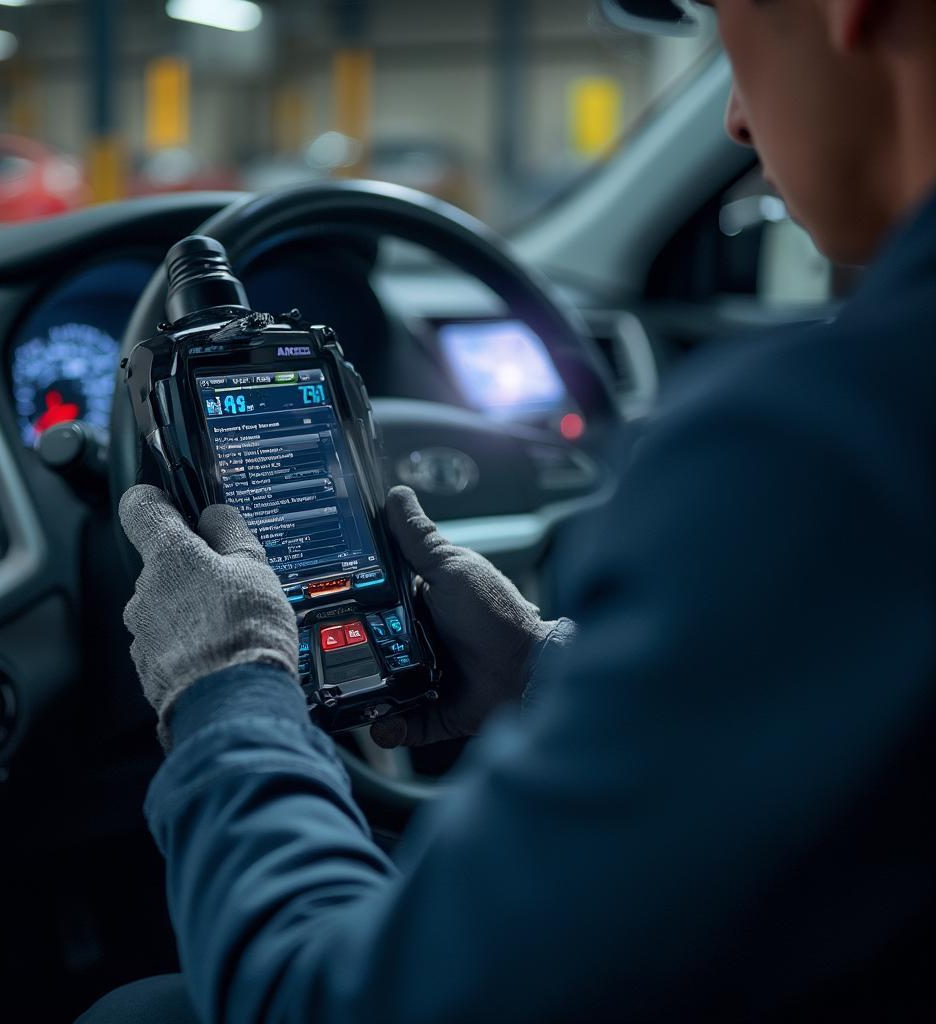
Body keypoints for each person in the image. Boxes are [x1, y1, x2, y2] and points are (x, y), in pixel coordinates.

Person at [81, 1, 936, 1020]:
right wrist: (544, 668)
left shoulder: (822, 444)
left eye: (723, 25)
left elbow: (336, 1001)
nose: (735, 122)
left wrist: (221, 689)